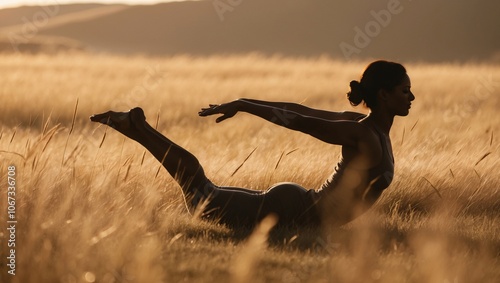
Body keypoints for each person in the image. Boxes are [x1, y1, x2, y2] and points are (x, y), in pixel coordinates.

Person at [90, 60, 415, 230]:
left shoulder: (372, 132)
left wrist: (245, 102)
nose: (411, 97)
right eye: (405, 90)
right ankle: (137, 128)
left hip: (295, 205)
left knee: (203, 193)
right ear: (384, 95)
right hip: (293, 212)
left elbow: (300, 111)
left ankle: (136, 126)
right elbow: (300, 119)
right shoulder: (363, 134)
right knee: (200, 192)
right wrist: (245, 104)